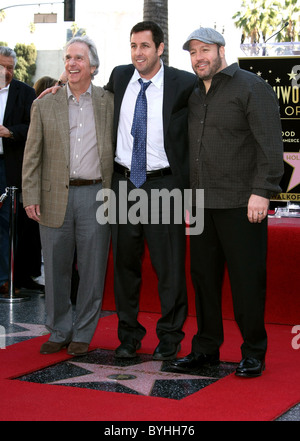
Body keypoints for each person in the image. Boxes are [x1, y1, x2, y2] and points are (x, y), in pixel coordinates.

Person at [170, 28, 284, 377]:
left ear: (221, 50)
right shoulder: (192, 93)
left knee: (247, 280)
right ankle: (205, 349)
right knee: (204, 279)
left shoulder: (251, 86)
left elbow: (270, 144)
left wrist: (262, 191)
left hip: (241, 202)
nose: (198, 57)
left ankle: (253, 352)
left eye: (205, 50)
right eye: (193, 52)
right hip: (201, 203)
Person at [105, 21, 197, 360]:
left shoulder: (183, 83)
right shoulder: (118, 76)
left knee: (169, 265)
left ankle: (170, 338)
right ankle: (128, 336)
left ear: (160, 48)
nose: (138, 53)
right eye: (133, 46)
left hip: (165, 185)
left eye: (144, 46)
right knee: (124, 266)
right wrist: (56, 89)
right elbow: (92, 99)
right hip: (122, 184)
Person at [22, 36, 114, 356]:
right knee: (56, 268)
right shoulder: (45, 103)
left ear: (93, 67)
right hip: (52, 197)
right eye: (68, 58)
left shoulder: (108, 102)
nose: (72, 63)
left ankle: (84, 333)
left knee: (92, 270)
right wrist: (30, 194)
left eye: (78, 58)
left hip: (96, 196)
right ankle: (59, 329)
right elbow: (32, 155)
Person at [0, 46, 41, 295]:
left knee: (8, 223)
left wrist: (10, 131)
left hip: (9, 166)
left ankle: (6, 278)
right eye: (1, 66)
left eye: (10, 68)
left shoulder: (25, 93)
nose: (5, 72)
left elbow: (35, 128)